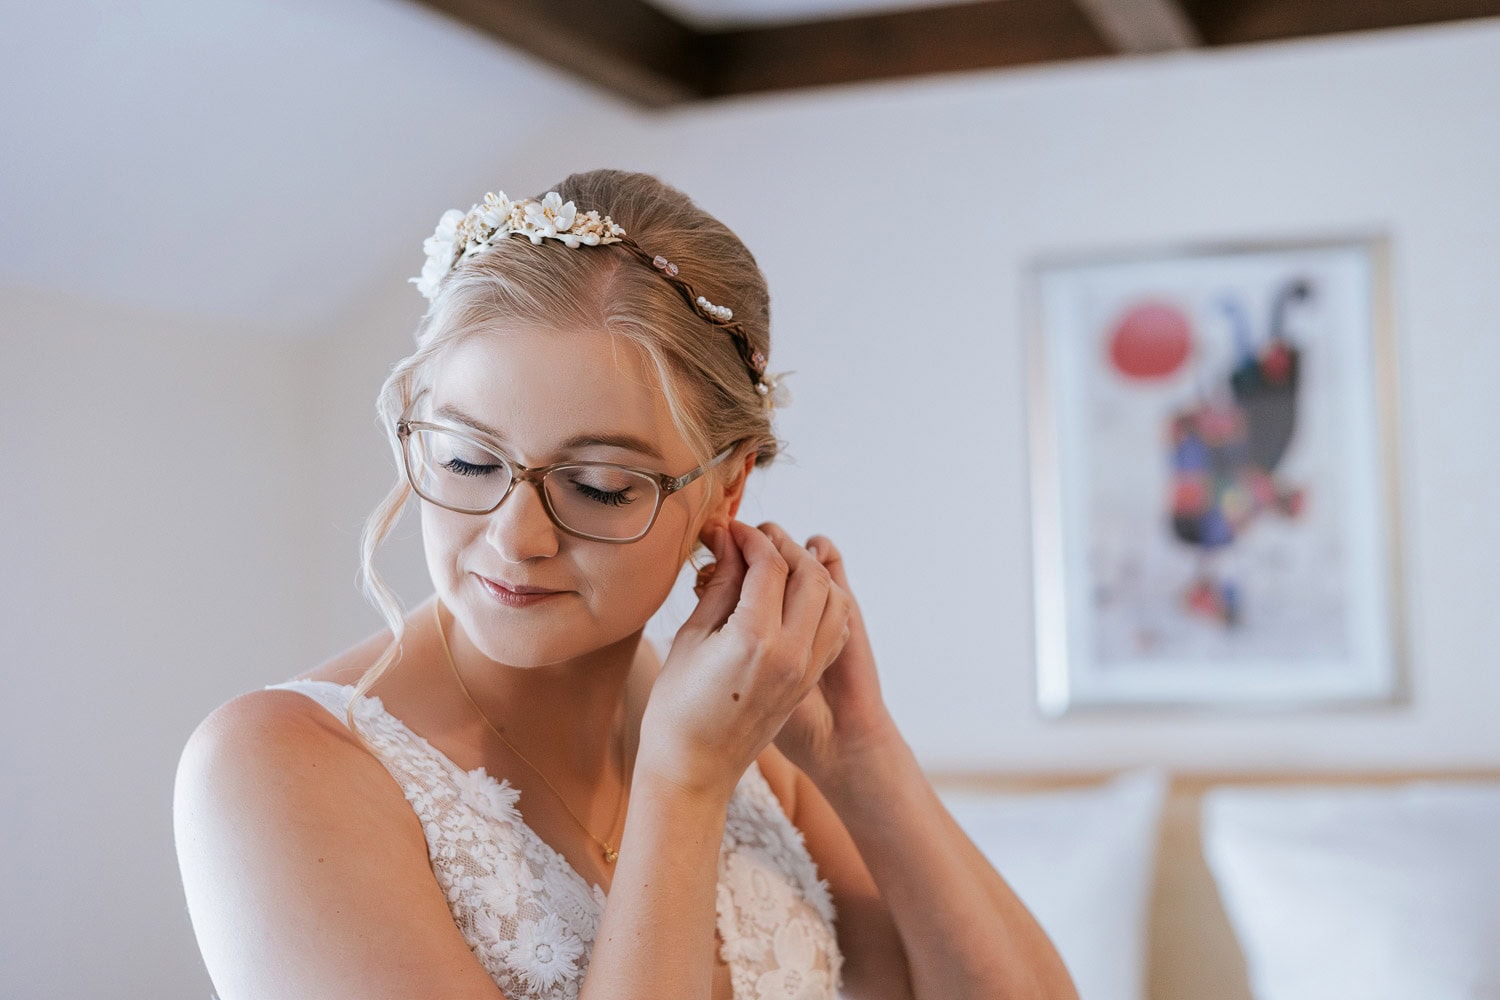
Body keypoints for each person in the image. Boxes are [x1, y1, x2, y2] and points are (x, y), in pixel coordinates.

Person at [173, 169, 1078, 1000]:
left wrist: (862, 755)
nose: (515, 537)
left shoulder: (757, 743)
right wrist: (682, 785)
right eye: (467, 459)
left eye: (600, 485)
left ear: (727, 487)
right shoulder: (277, 766)